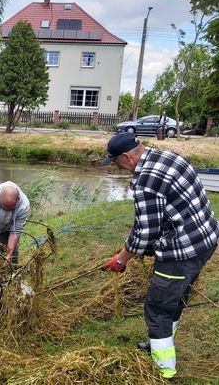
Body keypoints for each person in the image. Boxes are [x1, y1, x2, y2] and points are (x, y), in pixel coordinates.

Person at [100, 132, 218, 381]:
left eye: (116, 162)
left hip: (180, 254)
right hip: (205, 242)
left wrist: (120, 260)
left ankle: (164, 370)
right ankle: (160, 344)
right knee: (175, 300)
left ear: (126, 158)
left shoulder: (145, 181)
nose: (119, 168)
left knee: (157, 308)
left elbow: (144, 233)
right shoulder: (169, 157)